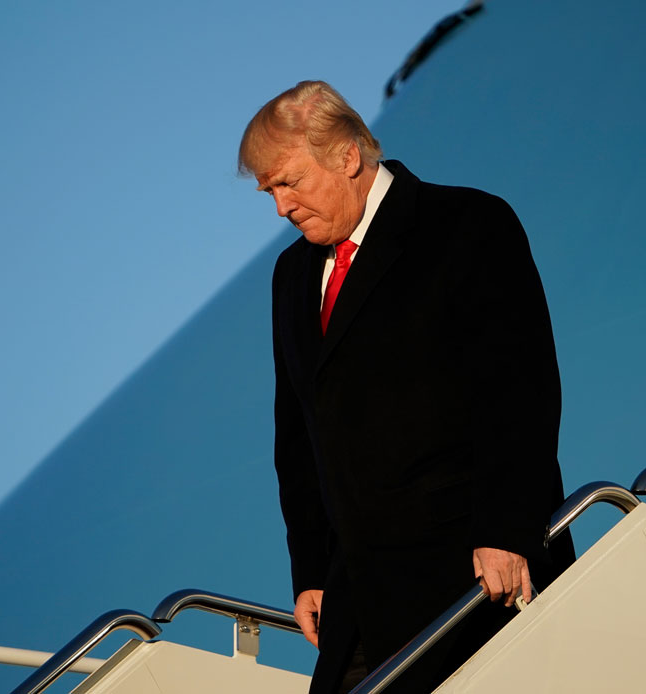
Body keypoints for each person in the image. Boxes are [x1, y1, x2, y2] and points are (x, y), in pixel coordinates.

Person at [239, 80, 575, 693]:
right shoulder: (291, 275)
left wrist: (506, 530)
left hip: (474, 572)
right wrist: (310, 570)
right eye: (270, 191)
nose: (281, 208)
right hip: (357, 593)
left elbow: (518, 390)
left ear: (346, 156)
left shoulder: (466, 224)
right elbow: (299, 435)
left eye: (289, 182)